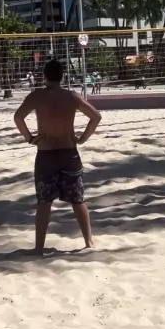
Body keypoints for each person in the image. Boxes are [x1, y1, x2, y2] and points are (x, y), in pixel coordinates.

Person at [14, 58, 102, 255]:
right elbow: (96, 117)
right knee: (78, 200)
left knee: (44, 203)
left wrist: (30, 138)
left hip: (46, 154)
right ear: (62, 77)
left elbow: (18, 117)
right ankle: (88, 241)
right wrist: (82, 138)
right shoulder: (71, 96)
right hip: (69, 152)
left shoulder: (37, 95)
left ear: (44, 76)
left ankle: (39, 248)